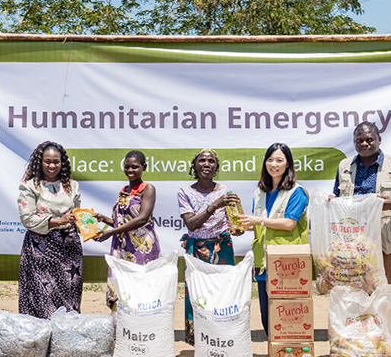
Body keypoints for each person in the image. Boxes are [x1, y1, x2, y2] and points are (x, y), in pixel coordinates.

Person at [332, 121, 391, 284]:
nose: (364, 143)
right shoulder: (344, 166)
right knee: (355, 283)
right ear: (354, 142)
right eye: (359, 140)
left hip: (384, 234)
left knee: (386, 283)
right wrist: (332, 201)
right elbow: (337, 199)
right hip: (354, 236)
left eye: (369, 139)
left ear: (379, 139)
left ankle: (385, 309)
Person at [238, 143, 309, 337]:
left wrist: (258, 220)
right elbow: (259, 224)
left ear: (288, 164)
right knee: (267, 316)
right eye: (270, 160)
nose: (274, 164)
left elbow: (289, 224)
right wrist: (242, 225)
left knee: (287, 314)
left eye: (279, 160)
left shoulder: (296, 192)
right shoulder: (259, 192)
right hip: (264, 263)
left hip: (287, 263)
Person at [177, 148, 244, 345]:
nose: (206, 164)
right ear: (194, 166)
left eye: (211, 161)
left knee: (223, 292)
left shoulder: (226, 192)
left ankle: (223, 337)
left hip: (221, 247)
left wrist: (237, 228)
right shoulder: (185, 193)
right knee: (197, 294)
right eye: (202, 161)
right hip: (197, 249)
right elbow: (191, 224)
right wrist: (214, 205)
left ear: (216, 168)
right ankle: (197, 339)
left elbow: (235, 224)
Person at [17, 141, 84, 318]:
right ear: (40, 162)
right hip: (41, 249)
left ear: (63, 163)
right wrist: (57, 221)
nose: (52, 165)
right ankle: (42, 339)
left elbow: (76, 213)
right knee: (42, 296)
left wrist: (90, 223)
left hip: (69, 249)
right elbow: (27, 218)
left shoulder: (72, 185)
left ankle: (65, 338)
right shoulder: (30, 186)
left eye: (56, 161)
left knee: (70, 294)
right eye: (47, 161)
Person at [93, 150, 162, 310]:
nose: (130, 170)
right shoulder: (124, 191)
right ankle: (125, 327)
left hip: (142, 248)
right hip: (123, 247)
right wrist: (105, 220)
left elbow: (142, 219)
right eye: (127, 167)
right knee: (123, 288)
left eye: (135, 167)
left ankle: (141, 328)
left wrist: (111, 232)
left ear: (144, 167)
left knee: (140, 288)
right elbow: (123, 223)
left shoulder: (148, 189)